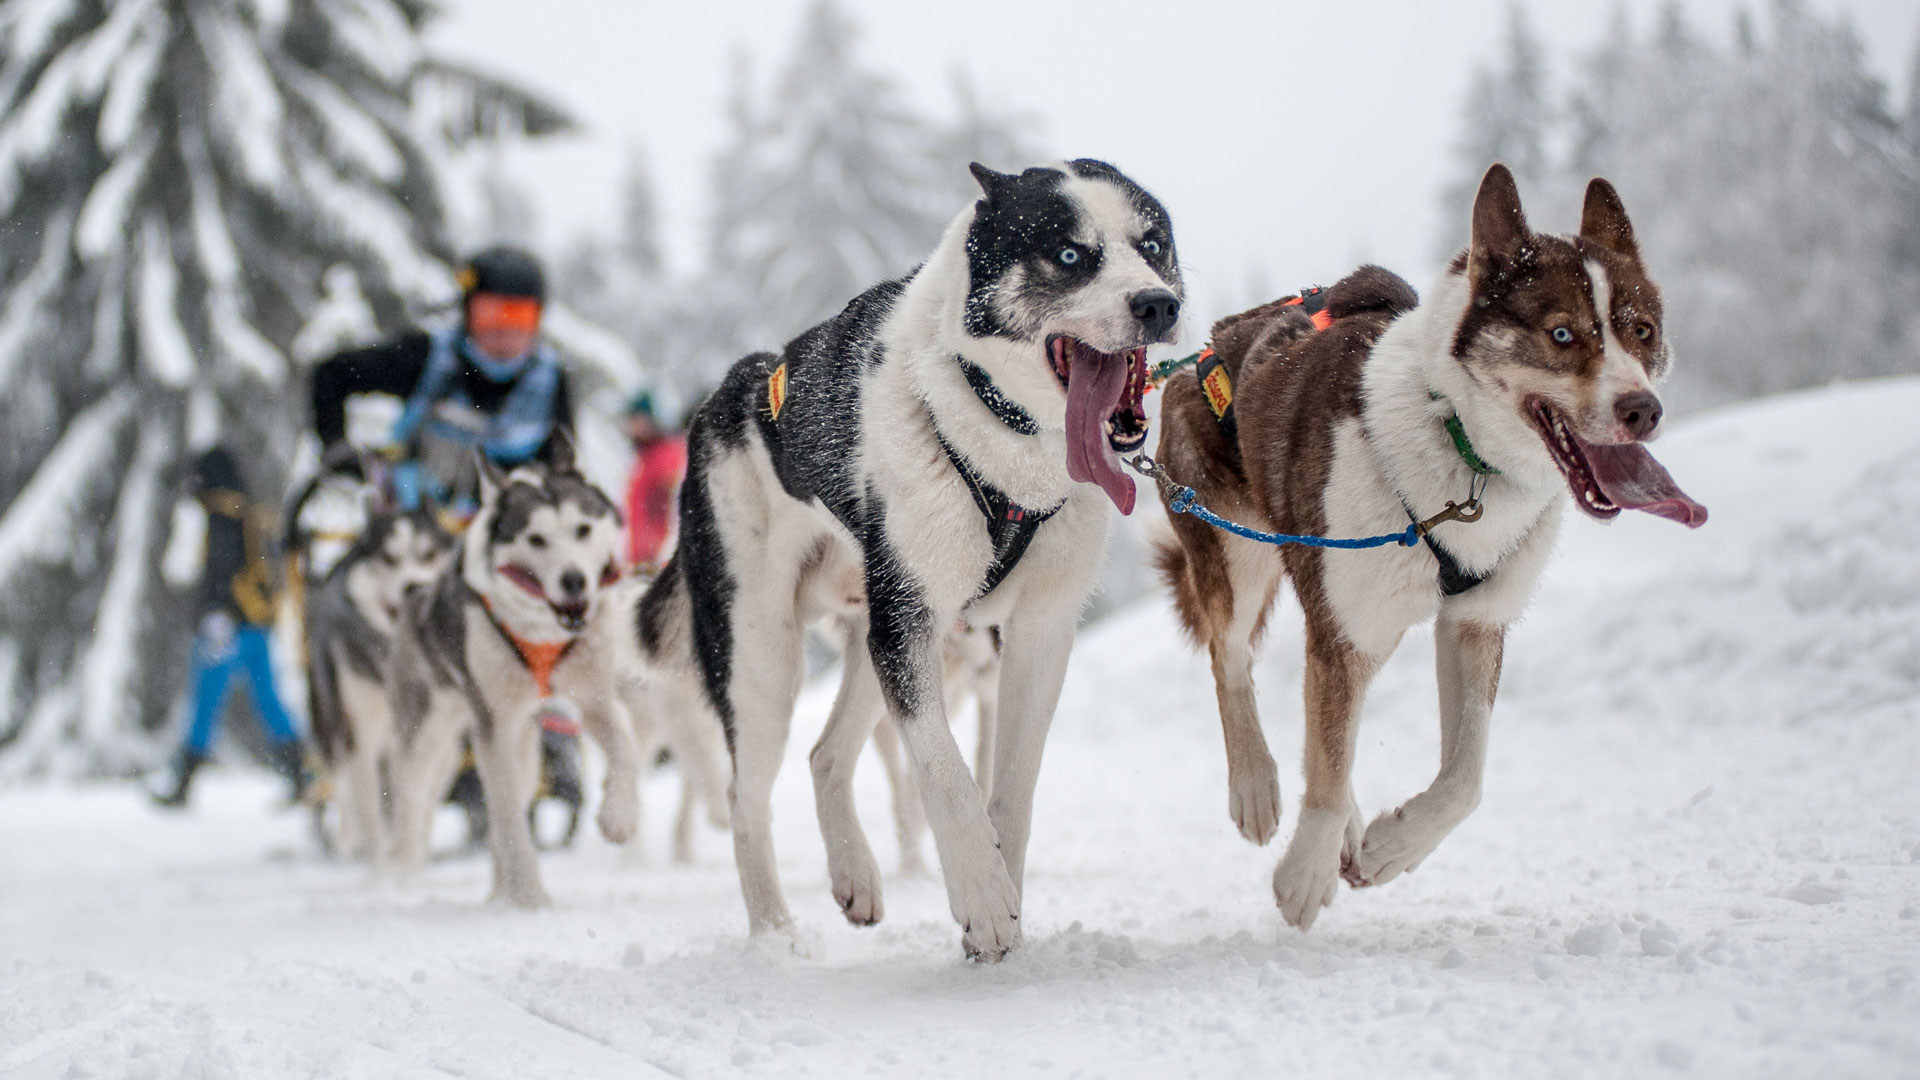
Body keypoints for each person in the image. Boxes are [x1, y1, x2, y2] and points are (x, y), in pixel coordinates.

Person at [309, 246, 574, 513]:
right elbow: (333, 374)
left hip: (501, 533)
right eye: (491, 315)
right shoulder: (425, 356)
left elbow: (561, 464)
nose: (505, 331)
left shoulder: (551, 381)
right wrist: (337, 447)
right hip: (407, 523)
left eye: (519, 318)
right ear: (467, 311)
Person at [152, 447, 309, 808]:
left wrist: (216, 614)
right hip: (258, 621)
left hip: (226, 625)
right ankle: (300, 772)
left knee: (205, 704)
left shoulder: (221, 514)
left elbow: (220, 570)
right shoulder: (250, 511)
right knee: (269, 702)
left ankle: (183, 783)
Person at [623, 389, 686, 571]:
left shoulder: (669, 454)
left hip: (662, 562)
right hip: (643, 562)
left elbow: (676, 505)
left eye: (637, 419)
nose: (631, 426)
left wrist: (662, 553)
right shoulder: (645, 457)